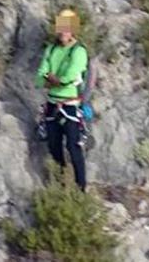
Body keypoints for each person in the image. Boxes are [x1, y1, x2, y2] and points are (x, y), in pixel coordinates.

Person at [36, 10, 89, 190]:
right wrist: (50, 79)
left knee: (74, 148)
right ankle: (60, 184)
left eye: (67, 29)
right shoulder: (51, 49)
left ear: (73, 30)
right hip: (52, 105)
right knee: (53, 146)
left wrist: (53, 80)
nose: (62, 33)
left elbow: (71, 74)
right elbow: (40, 73)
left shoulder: (79, 51)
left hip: (70, 106)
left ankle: (81, 188)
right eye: (61, 29)